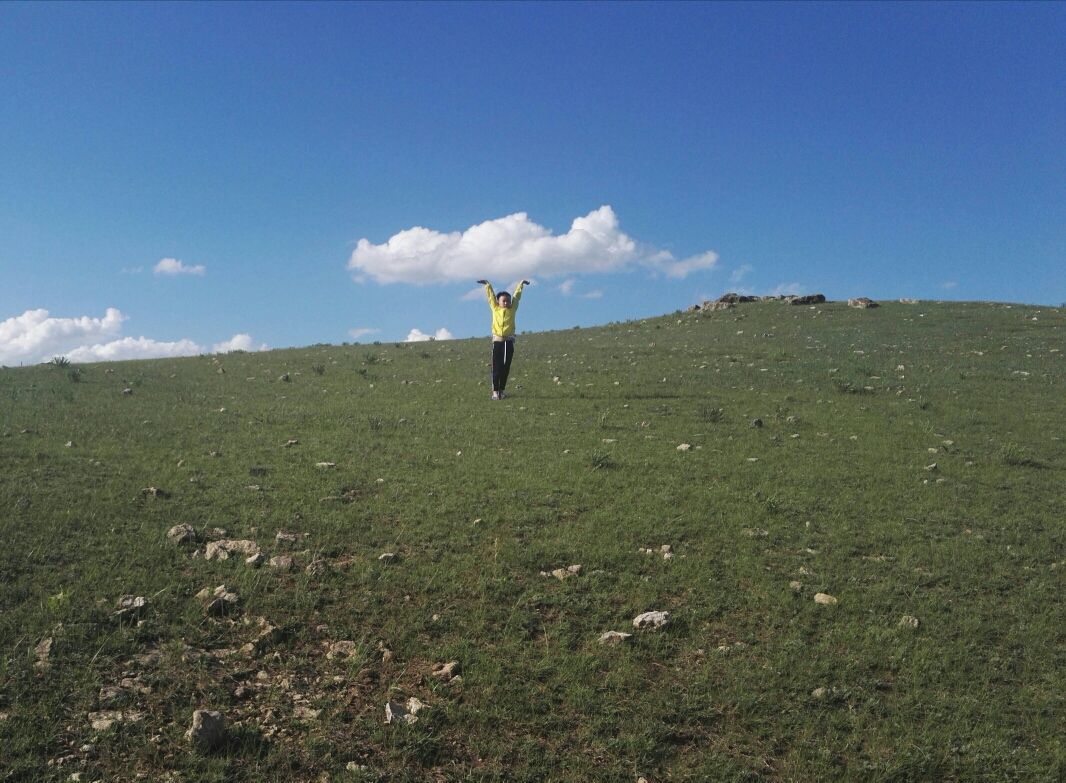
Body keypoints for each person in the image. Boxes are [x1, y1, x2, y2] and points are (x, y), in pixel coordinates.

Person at [477, 279, 529, 400]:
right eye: (504, 301)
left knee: (506, 367)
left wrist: (521, 285)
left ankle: (502, 390)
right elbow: (491, 297)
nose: (506, 303)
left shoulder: (512, 309)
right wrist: (487, 285)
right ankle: (495, 391)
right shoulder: (495, 309)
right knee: (496, 367)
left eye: (508, 301)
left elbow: (517, 297)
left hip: (509, 342)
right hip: (498, 342)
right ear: (498, 302)